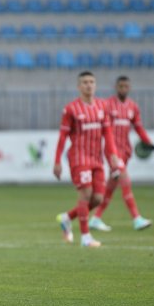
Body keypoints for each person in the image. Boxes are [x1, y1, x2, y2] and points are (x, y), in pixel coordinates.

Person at [54, 70, 122, 248]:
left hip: (96, 159)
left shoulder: (102, 106)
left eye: (91, 82)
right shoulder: (71, 109)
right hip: (78, 158)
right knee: (85, 195)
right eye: (85, 82)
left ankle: (67, 218)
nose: (88, 85)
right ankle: (86, 238)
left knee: (98, 199)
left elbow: (108, 134)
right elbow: (62, 137)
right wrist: (57, 161)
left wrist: (113, 154)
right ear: (78, 86)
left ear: (96, 85)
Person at [89, 76, 154, 232]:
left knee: (111, 187)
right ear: (116, 87)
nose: (123, 89)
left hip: (125, 151)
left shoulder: (132, 107)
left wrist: (150, 143)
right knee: (126, 182)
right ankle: (136, 219)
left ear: (129, 87)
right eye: (120, 86)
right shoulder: (107, 105)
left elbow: (138, 127)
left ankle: (95, 218)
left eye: (126, 86)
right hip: (112, 152)